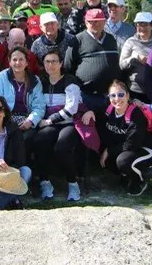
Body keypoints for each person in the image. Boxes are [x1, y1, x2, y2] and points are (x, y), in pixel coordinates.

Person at [35, 49, 90, 202]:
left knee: (62, 147)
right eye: (47, 61)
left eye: (54, 61)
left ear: (60, 64)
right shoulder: (41, 82)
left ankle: (73, 183)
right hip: (48, 124)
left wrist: (50, 120)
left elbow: (72, 108)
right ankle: (45, 182)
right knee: (39, 141)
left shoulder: (70, 81)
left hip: (69, 123)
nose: (50, 65)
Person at [99, 80, 152, 196]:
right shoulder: (109, 110)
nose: (117, 99)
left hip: (145, 149)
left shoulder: (135, 114)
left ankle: (140, 180)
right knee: (103, 157)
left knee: (123, 161)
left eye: (121, 94)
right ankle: (126, 175)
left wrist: (109, 151)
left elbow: (132, 144)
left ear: (128, 96)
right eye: (113, 95)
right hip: (125, 149)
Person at [64, 8, 120, 113]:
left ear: (104, 22)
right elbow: (68, 67)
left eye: (98, 21)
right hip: (87, 95)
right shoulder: (77, 40)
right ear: (85, 22)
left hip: (111, 95)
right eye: (91, 21)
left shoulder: (111, 39)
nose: (95, 24)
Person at [0, 47, 45, 139]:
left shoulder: (35, 80)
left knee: (26, 138)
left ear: (26, 62)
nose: (17, 63)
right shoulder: (2, 77)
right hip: (5, 118)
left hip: (26, 119)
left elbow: (39, 107)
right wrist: (3, 120)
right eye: (14, 60)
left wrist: (31, 121)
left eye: (21, 59)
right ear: (10, 62)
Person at [119, 11, 152, 103]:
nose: (142, 28)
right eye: (139, 25)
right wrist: (134, 57)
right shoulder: (130, 42)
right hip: (135, 90)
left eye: (145, 25)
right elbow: (121, 65)